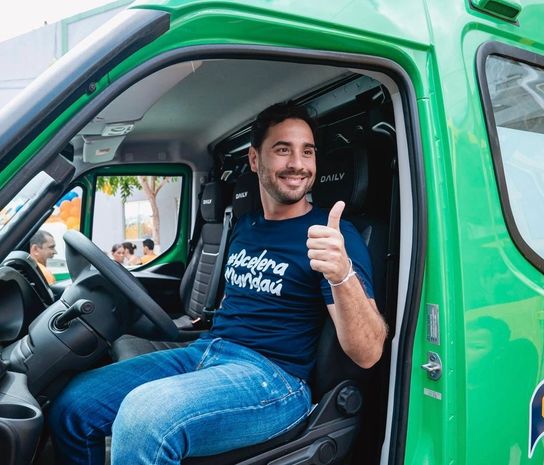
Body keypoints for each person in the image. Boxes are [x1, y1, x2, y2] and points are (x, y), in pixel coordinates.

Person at [48, 101, 388, 465]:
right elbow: (235, 303)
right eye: (282, 149)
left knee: (143, 418)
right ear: (255, 159)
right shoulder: (246, 227)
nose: (298, 163)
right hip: (208, 352)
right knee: (73, 406)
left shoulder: (332, 236)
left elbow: (368, 352)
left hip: (274, 379)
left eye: (307, 151)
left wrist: (341, 273)